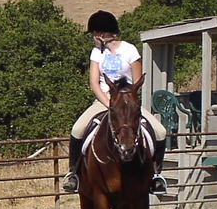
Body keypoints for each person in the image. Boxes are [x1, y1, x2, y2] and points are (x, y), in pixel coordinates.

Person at [62, 10, 168, 194]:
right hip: (103, 100)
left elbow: (137, 82)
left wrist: (123, 102)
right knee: (77, 129)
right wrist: (109, 103)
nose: (93, 37)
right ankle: (73, 174)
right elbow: (94, 83)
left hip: (127, 103)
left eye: (94, 33)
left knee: (160, 131)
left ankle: (156, 175)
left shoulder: (130, 50)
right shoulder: (96, 53)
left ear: (102, 33)